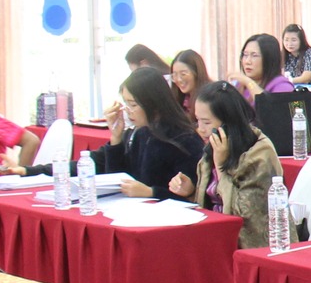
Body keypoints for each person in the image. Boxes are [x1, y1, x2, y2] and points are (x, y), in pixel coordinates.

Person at [169, 81, 282, 249]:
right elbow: (211, 203)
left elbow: (247, 217)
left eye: (207, 123)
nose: (200, 129)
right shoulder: (212, 150)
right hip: (212, 235)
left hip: (249, 243)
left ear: (228, 122)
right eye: (198, 121)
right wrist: (191, 192)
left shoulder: (260, 154)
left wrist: (221, 167)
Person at [85, 67, 203, 197]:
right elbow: (118, 182)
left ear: (154, 104)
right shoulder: (141, 133)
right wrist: (116, 139)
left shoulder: (185, 139)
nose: (128, 111)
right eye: (126, 104)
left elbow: (191, 194)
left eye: (133, 105)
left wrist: (151, 192)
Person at [234, 33, 295, 99]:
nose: (247, 61)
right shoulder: (241, 85)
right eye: (245, 55)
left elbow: (269, 106)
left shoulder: (283, 86)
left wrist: (249, 83)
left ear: (269, 59)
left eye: (254, 55)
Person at [170, 49, 212, 114]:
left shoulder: (210, 98)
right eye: (175, 75)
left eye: (183, 74)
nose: (179, 79)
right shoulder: (181, 100)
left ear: (197, 73)